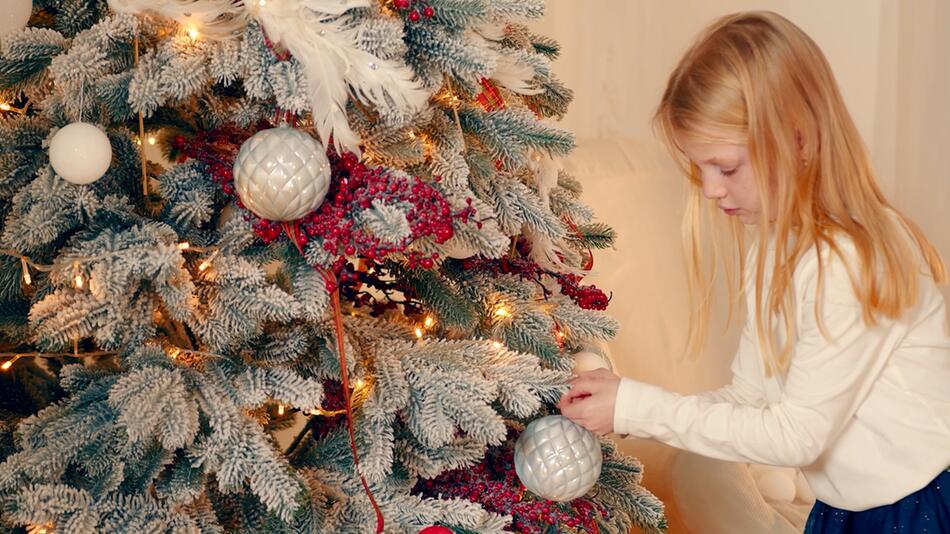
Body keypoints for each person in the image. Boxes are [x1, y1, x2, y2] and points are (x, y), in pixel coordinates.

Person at [558, 11, 950, 533]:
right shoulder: (776, 245)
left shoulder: (846, 259)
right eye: (700, 169)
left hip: (914, 508)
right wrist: (628, 398)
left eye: (726, 167)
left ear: (798, 140)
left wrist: (638, 407)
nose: (711, 189)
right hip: (850, 508)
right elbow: (749, 399)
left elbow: (794, 436)